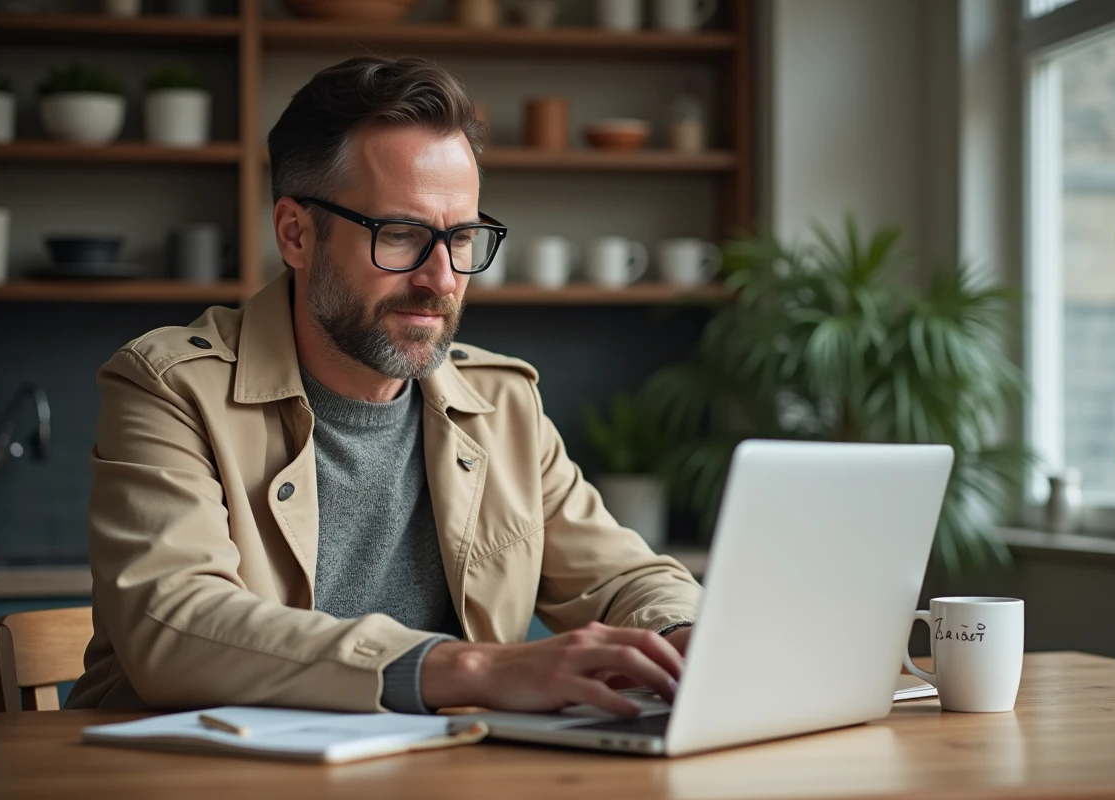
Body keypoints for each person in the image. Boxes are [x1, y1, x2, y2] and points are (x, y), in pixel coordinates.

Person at [67, 56, 701, 717]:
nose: (443, 278)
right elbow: (175, 626)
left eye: (461, 238)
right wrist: (476, 667)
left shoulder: (501, 403)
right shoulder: (168, 387)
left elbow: (630, 578)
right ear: (296, 234)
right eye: (401, 235)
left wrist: (678, 637)